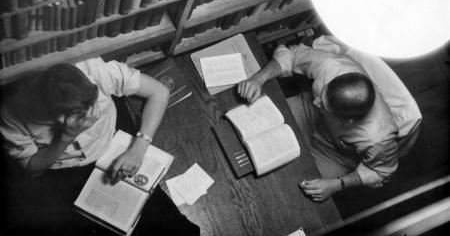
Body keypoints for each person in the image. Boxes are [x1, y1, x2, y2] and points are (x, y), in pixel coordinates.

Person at [0, 57, 200, 236]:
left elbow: (159, 91)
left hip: (112, 142)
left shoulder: (96, 70)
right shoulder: (11, 114)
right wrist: (66, 137)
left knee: (171, 225)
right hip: (62, 168)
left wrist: (138, 149)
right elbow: (32, 169)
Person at [238, 35, 421, 202]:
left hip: (335, 154)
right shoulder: (332, 67)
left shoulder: (378, 137)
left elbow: (379, 172)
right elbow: (293, 55)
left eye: (325, 106)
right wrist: (258, 79)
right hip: (308, 113)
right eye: (323, 95)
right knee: (251, 124)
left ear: (349, 121)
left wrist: (337, 185)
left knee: (290, 190)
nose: (318, 101)